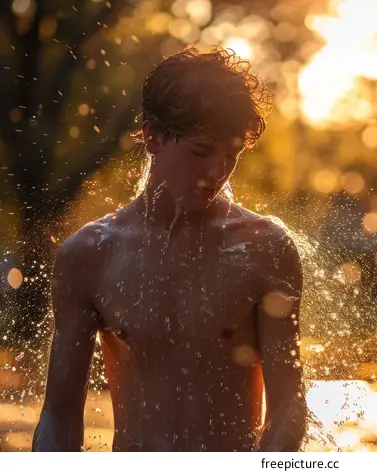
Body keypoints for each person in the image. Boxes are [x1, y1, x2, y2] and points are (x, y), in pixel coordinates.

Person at [32, 46, 307, 452]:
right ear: (153, 137)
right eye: (201, 152)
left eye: (231, 155)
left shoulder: (263, 248)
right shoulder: (91, 254)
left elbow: (289, 405)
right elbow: (60, 413)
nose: (217, 171)